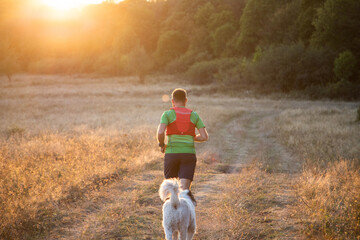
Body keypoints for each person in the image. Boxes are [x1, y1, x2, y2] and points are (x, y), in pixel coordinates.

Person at [157, 88, 209, 191]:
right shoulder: (194, 115)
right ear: (186, 100)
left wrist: (162, 145)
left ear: (172, 101)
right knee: (184, 190)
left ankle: (171, 206)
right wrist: (189, 137)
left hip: (172, 154)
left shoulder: (167, 114)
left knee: (171, 189)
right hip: (188, 154)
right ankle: (185, 206)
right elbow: (204, 137)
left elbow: (160, 132)